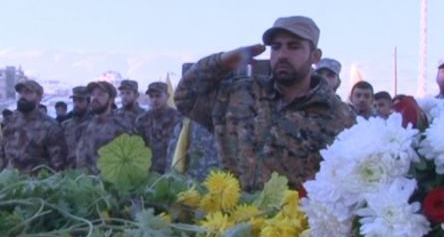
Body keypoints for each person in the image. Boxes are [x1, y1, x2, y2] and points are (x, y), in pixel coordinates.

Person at [174, 16, 355, 190]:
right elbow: (184, 97)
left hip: (296, 219)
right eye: (276, 47)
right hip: (233, 217)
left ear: (315, 56)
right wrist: (222, 62)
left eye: (294, 47)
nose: (282, 55)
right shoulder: (238, 95)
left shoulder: (339, 116)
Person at [0, 80, 66, 173]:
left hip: (37, 185)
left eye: (28, 92)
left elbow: (58, 163)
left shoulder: (49, 125)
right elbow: (1, 153)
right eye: (21, 92)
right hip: (10, 183)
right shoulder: (10, 122)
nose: (22, 96)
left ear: (39, 97)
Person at [75, 81, 135, 174]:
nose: (95, 98)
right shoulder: (82, 128)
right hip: (85, 184)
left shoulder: (123, 128)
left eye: (100, 95)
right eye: (93, 94)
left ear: (111, 100)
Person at [136, 82, 182, 173]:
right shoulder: (142, 119)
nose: (154, 100)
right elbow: (138, 146)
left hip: (172, 169)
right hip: (149, 171)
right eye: (151, 97)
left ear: (167, 96)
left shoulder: (177, 118)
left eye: (158, 96)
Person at [62, 86, 92, 169]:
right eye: (74, 101)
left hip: (89, 173)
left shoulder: (95, 125)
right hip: (69, 173)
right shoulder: (65, 126)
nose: (76, 104)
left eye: (80, 101)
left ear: (88, 102)